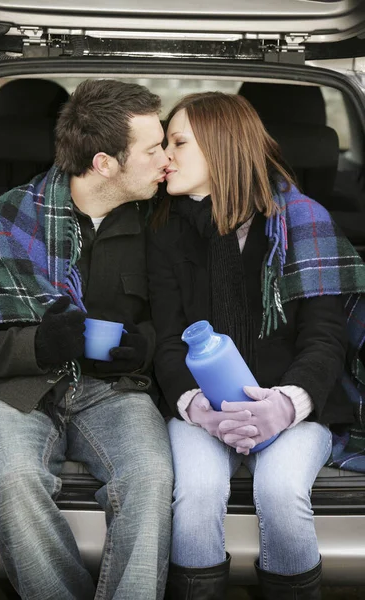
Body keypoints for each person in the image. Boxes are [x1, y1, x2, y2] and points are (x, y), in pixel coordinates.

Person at [147, 91, 365, 599]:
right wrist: (195, 406)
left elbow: (324, 338)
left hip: (294, 409)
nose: (166, 157)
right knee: (196, 495)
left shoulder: (303, 222)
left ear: (222, 147)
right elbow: (167, 338)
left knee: (281, 490)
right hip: (202, 409)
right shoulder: (164, 228)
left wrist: (287, 405)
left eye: (178, 142)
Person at [0, 79, 173, 600]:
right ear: (105, 163)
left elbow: (186, 320)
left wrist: (144, 346)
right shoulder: (2, 221)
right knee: (12, 483)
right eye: (153, 149)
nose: (166, 159)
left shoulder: (164, 221)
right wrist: (37, 345)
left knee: (149, 479)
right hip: (19, 390)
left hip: (116, 389)